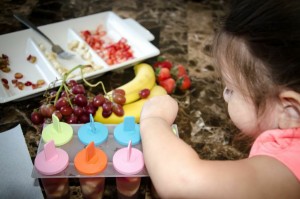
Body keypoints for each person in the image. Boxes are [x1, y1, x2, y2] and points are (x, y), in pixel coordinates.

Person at [140, 0, 300, 198]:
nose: (224, 95)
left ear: (290, 110)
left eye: (232, 89)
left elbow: (181, 181)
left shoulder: (289, 165)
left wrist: (154, 120)